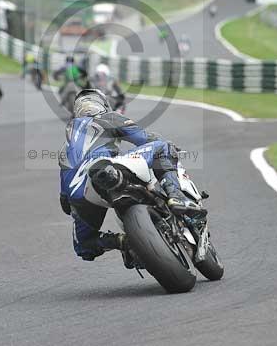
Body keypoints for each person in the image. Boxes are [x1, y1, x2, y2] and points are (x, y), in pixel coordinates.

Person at [57, 89, 203, 261]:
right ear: (103, 105)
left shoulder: (65, 147)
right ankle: (175, 195)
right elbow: (144, 138)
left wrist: (77, 208)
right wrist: (167, 144)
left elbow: (65, 203)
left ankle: (124, 243)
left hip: (80, 195)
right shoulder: (108, 117)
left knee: (84, 246)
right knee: (162, 147)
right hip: (106, 169)